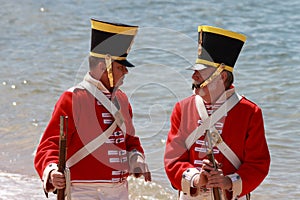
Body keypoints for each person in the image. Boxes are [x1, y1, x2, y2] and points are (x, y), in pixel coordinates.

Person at [34, 18, 151, 200]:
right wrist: (52, 172)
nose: (126, 72)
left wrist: (137, 160)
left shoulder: (122, 100)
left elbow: (130, 141)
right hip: (82, 191)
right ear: (103, 67)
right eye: (121, 67)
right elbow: (48, 145)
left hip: (119, 191)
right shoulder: (73, 98)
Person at [164, 25, 270, 200]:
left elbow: (258, 164)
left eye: (201, 72)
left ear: (222, 76)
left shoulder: (250, 112)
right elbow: (173, 160)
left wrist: (228, 182)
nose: (194, 77)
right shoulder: (182, 108)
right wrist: (197, 179)